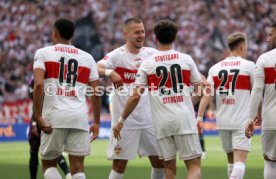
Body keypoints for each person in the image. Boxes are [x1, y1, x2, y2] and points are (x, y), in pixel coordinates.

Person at [113, 19, 203, 179]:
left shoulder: (147, 64)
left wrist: (121, 120)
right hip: (184, 119)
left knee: (168, 168)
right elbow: (201, 88)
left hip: (161, 123)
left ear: (155, 38)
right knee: (193, 166)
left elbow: (135, 96)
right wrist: (189, 102)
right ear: (174, 38)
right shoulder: (185, 59)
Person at [33, 18, 101, 179]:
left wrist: (38, 116)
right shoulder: (87, 57)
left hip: (54, 116)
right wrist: (97, 122)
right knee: (78, 168)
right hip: (79, 117)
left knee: (49, 164)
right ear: (72, 35)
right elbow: (96, 93)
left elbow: (38, 86)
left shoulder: (44, 53)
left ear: (55, 33)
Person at [97, 17, 164, 179]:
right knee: (119, 165)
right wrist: (109, 72)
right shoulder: (116, 55)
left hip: (149, 120)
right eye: (137, 32)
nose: (141, 35)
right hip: (124, 122)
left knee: (159, 162)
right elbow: (96, 67)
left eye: (142, 31)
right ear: (126, 34)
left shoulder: (151, 54)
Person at [198, 32, 255, 179]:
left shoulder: (215, 68)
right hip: (241, 119)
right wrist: (259, 114)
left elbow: (207, 94)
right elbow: (257, 93)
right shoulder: (249, 66)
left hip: (223, 120)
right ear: (242, 46)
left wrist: (199, 116)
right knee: (240, 160)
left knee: (231, 160)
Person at [245, 23, 276, 179]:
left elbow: (257, 91)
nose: (268, 38)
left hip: (272, 119)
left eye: (271, 34)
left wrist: (250, 118)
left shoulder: (265, 59)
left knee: (270, 162)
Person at [28, 79, 71, 179]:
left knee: (53, 150)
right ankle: (68, 174)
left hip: (50, 118)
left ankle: (68, 174)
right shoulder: (34, 81)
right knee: (35, 151)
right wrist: (34, 123)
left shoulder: (52, 79)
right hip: (40, 118)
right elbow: (34, 99)